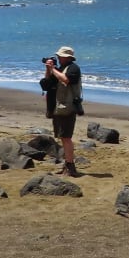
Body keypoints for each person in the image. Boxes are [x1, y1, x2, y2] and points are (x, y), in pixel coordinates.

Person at [39, 45, 83, 176]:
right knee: (62, 137)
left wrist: (53, 69)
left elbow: (66, 79)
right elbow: (46, 84)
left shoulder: (73, 68)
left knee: (66, 137)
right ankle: (67, 165)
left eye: (60, 56)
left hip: (68, 108)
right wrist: (48, 70)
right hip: (58, 108)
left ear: (68, 57)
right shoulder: (59, 69)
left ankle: (70, 166)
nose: (58, 58)